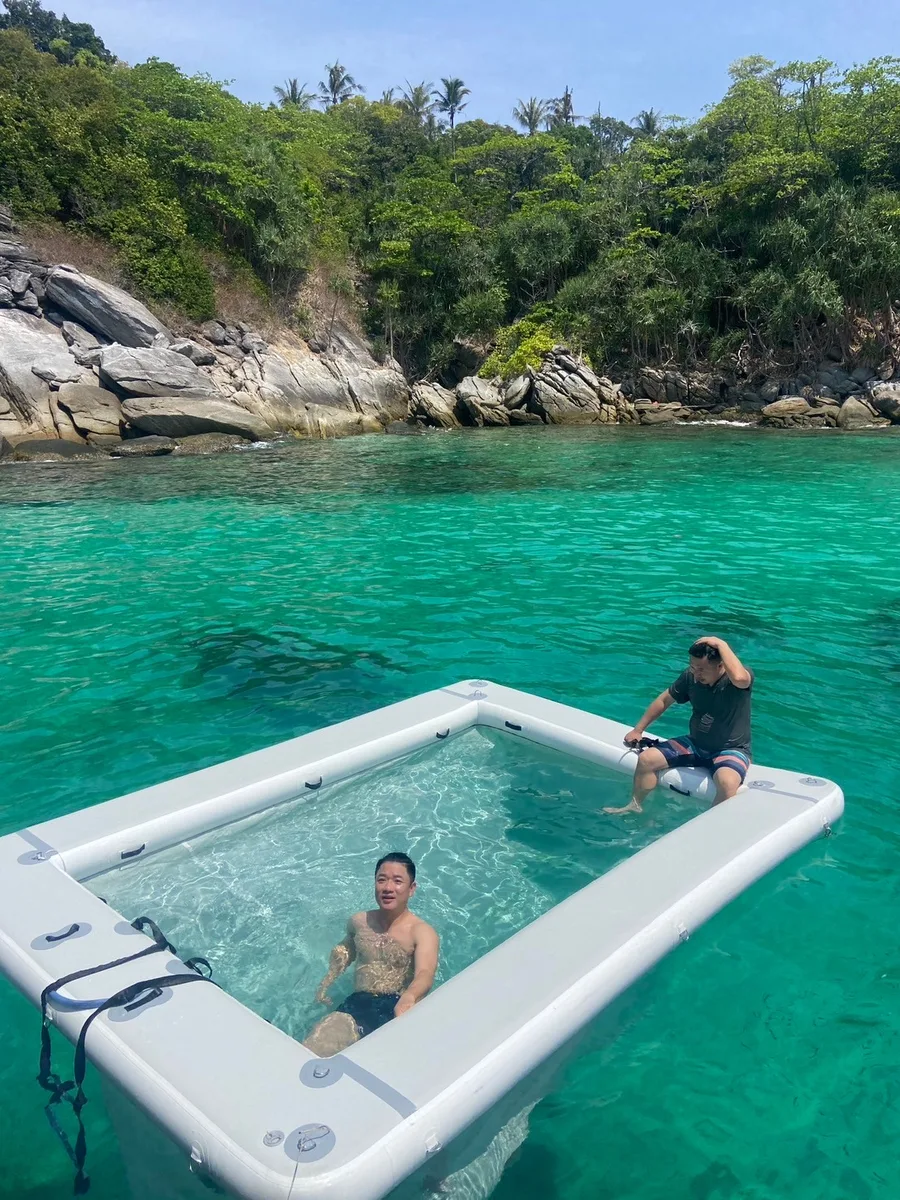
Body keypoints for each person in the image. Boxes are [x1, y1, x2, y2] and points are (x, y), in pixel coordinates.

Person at [303, 852, 439, 1057]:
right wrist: (326, 982)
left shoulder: (421, 932)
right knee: (315, 1047)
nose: (388, 888)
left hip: (396, 1005)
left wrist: (410, 996)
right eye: (381, 880)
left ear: (412, 889)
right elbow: (345, 952)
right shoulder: (359, 922)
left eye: (397, 881)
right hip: (358, 1002)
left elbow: (425, 973)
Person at [604, 636, 753, 815]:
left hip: (731, 749)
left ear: (721, 665)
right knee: (646, 760)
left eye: (702, 669)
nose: (696, 674)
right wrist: (638, 729)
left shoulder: (735, 680)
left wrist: (721, 644)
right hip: (695, 744)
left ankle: (710, 826)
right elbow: (664, 700)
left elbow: (740, 678)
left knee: (727, 783)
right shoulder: (690, 677)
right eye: (693, 667)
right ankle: (635, 806)